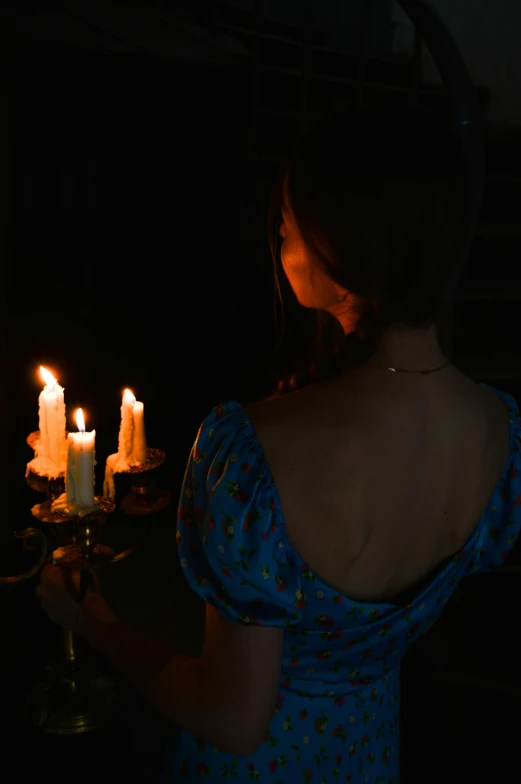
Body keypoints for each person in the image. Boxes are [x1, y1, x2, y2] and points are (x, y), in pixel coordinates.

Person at [37, 108, 521, 783]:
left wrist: (96, 626)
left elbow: (233, 718)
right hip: (368, 751)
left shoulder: (251, 450)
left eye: (288, 225)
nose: (280, 236)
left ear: (341, 252)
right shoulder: (499, 429)